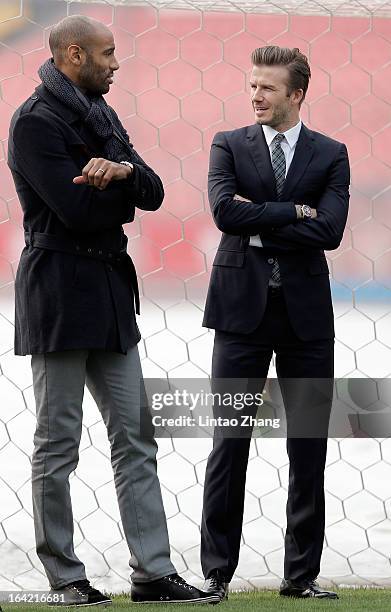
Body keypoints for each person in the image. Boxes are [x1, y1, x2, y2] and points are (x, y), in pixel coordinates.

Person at [8, 15, 219, 606]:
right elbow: (77, 213)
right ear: (73, 53)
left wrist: (120, 173)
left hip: (107, 294)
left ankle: (152, 572)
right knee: (59, 443)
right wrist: (117, 195)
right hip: (57, 293)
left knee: (136, 436)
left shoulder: (101, 116)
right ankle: (65, 576)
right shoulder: (34, 122)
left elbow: (150, 190)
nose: (116, 64)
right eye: (107, 53)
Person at [201, 46, 350, 600]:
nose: (255, 96)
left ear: (296, 94)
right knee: (228, 443)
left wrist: (258, 220)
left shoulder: (332, 154)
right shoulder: (229, 144)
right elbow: (224, 213)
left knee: (308, 446)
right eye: (253, 85)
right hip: (240, 316)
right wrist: (294, 212)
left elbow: (330, 231)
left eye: (267, 88)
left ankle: (300, 578)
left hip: (307, 322)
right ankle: (216, 575)